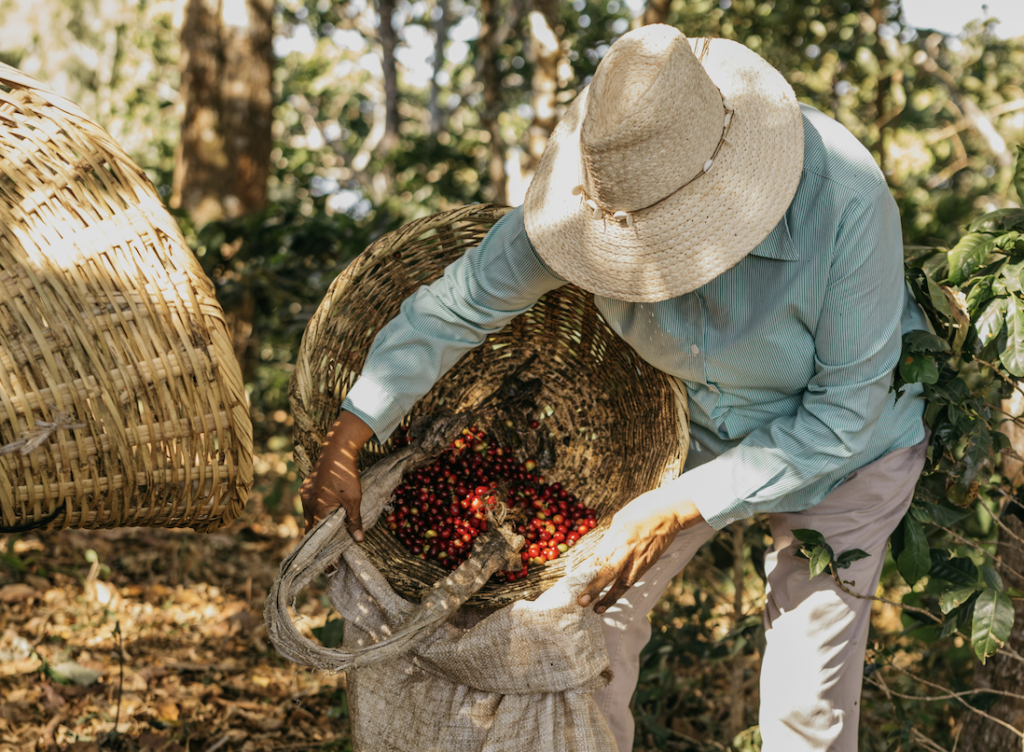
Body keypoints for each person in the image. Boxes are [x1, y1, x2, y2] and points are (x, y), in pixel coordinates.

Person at [300, 24, 930, 752]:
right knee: (586, 631)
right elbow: (459, 303)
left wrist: (675, 508)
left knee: (806, 703)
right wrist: (350, 435)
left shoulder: (843, 196)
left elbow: (846, 414)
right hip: (690, 438)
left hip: (851, 457)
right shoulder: (588, 196)